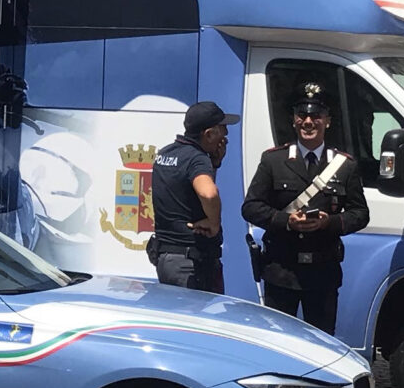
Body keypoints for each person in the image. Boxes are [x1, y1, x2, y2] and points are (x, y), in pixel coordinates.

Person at [243, 86, 370, 334]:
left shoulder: (344, 165)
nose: (308, 122)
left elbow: (360, 214)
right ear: (293, 120)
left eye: (316, 116)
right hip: (281, 271)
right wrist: (287, 221)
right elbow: (251, 207)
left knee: (322, 343)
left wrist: (328, 222)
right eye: (302, 115)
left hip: (323, 273)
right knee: (278, 343)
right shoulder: (273, 160)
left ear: (328, 121)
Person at [147, 101, 230, 292]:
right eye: (222, 130)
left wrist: (215, 164)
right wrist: (213, 223)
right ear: (209, 134)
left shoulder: (166, 152)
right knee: (203, 321)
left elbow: (186, 190)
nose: (225, 137)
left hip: (167, 257)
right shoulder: (196, 158)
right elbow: (208, 193)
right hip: (192, 262)